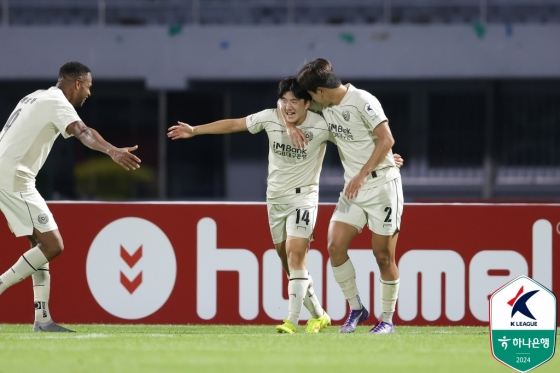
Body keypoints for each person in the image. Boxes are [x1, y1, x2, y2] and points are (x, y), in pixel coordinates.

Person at [168, 77, 332, 334]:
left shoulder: (322, 125)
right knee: (288, 262)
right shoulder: (270, 117)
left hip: (304, 198)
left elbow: (353, 141)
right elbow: (234, 124)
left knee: (295, 254)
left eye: (294, 101)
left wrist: (386, 156)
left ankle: (292, 320)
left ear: (307, 103)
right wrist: (195, 130)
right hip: (275, 200)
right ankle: (320, 315)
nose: (289, 106)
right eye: (285, 101)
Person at [0, 62, 141, 332]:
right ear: (77, 83)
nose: (88, 93)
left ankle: (42, 320)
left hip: (8, 172)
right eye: (88, 86)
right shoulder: (56, 100)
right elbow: (83, 132)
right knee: (53, 245)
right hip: (14, 177)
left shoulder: (35, 96)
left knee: (39, 245)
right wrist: (112, 151)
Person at [282, 58, 403, 334]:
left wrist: (366, 170)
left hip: (382, 186)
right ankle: (357, 309)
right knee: (335, 246)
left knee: (383, 255)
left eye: (311, 95)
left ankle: (386, 320)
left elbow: (386, 139)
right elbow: (283, 105)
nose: (310, 101)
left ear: (321, 91)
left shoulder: (362, 100)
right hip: (354, 189)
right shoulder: (326, 107)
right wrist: (289, 126)